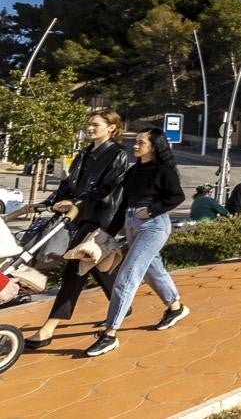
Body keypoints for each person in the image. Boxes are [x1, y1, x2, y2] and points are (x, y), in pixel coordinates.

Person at [25, 109, 131, 350]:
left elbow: (106, 188)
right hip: (79, 217)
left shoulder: (118, 154)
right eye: (89, 124)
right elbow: (68, 184)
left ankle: (48, 329)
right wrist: (49, 202)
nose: (90, 128)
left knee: (75, 270)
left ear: (111, 128)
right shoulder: (85, 152)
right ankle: (124, 304)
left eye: (95, 124)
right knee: (94, 268)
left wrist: (77, 203)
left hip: (100, 219)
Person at [86, 128, 189, 357]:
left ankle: (110, 334)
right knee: (153, 269)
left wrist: (151, 210)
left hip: (153, 225)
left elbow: (177, 197)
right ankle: (175, 307)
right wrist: (108, 234)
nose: (135, 145)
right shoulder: (133, 171)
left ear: (153, 146)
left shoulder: (162, 170)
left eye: (141, 142)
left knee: (128, 274)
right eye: (136, 141)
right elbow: (124, 205)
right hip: (131, 223)